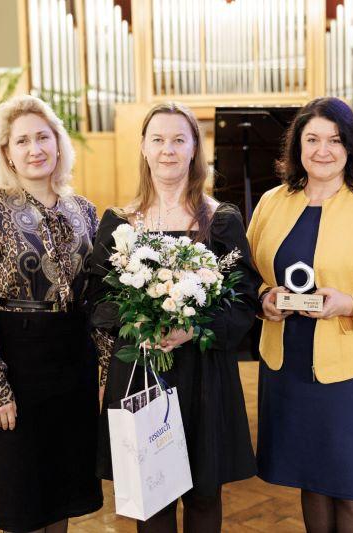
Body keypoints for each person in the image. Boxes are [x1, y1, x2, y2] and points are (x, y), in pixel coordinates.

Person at [247, 97, 353, 533]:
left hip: (352, 374)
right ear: (297, 146)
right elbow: (244, 276)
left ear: (351, 148)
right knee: (312, 482)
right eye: (312, 139)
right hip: (286, 366)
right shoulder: (271, 202)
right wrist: (264, 298)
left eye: (335, 140)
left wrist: (349, 304)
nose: (322, 150)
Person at [88, 102, 260, 533]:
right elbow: (94, 299)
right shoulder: (119, 223)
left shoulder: (221, 220)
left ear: (194, 149)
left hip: (204, 374)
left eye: (179, 140)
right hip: (141, 371)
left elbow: (244, 302)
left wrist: (193, 328)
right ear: (144, 148)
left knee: (204, 497)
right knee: (153, 499)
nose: (168, 149)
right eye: (159, 139)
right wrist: (137, 322)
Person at [0, 95, 102, 533]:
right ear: (7, 152)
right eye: (22, 141)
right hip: (17, 363)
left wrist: (107, 371)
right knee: (23, 500)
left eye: (43, 137)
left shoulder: (84, 210)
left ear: (58, 143)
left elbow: (97, 297)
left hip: (73, 365)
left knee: (62, 498)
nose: (35, 148)